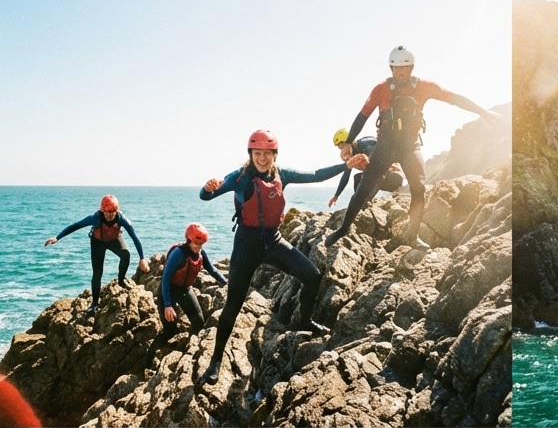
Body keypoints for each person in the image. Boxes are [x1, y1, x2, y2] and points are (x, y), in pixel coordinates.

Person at [196, 130, 347, 384]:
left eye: (267, 153)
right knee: (232, 306)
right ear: (251, 154)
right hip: (246, 247)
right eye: (258, 153)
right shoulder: (240, 178)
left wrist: (346, 165)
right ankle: (215, 362)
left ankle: (306, 320)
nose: (262, 158)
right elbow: (206, 196)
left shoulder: (282, 174)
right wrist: (206, 188)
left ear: (274, 155)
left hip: (274, 242)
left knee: (312, 276)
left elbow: (317, 176)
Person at [329, 45, 501, 245]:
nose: (399, 72)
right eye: (395, 68)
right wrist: (348, 142)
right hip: (384, 146)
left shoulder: (423, 87)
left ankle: (413, 234)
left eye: (404, 68)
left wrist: (485, 113)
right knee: (364, 186)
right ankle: (343, 229)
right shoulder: (381, 89)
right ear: (391, 69)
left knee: (419, 188)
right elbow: (361, 118)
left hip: (410, 147)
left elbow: (455, 99)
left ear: (411, 68)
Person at [44, 195, 150, 313]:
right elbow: (76, 225)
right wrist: (57, 237)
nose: (110, 215)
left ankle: (121, 280)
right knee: (97, 273)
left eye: (113, 211)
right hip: (97, 242)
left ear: (117, 210)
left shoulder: (121, 219)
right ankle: (94, 303)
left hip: (115, 240)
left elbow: (135, 238)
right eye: (108, 212)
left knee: (126, 254)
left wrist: (142, 258)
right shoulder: (95, 218)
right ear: (102, 210)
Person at [145, 223, 227, 369]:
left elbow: (212, 269)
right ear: (189, 240)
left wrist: (224, 281)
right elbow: (165, 279)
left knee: (198, 322)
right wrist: (168, 305)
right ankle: (149, 359)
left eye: (201, 244)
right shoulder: (178, 254)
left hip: (185, 290)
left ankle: (189, 354)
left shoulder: (201, 254)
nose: (198, 247)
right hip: (168, 291)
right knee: (170, 330)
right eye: (196, 243)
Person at [326, 129, 403, 210]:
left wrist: (366, 200)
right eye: (339, 148)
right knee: (357, 178)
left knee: (369, 175)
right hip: (381, 177)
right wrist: (336, 196)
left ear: (349, 142)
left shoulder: (366, 144)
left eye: (342, 146)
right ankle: (360, 204)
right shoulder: (351, 155)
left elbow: (378, 174)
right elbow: (346, 176)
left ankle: (362, 204)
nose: (342, 150)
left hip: (395, 177)